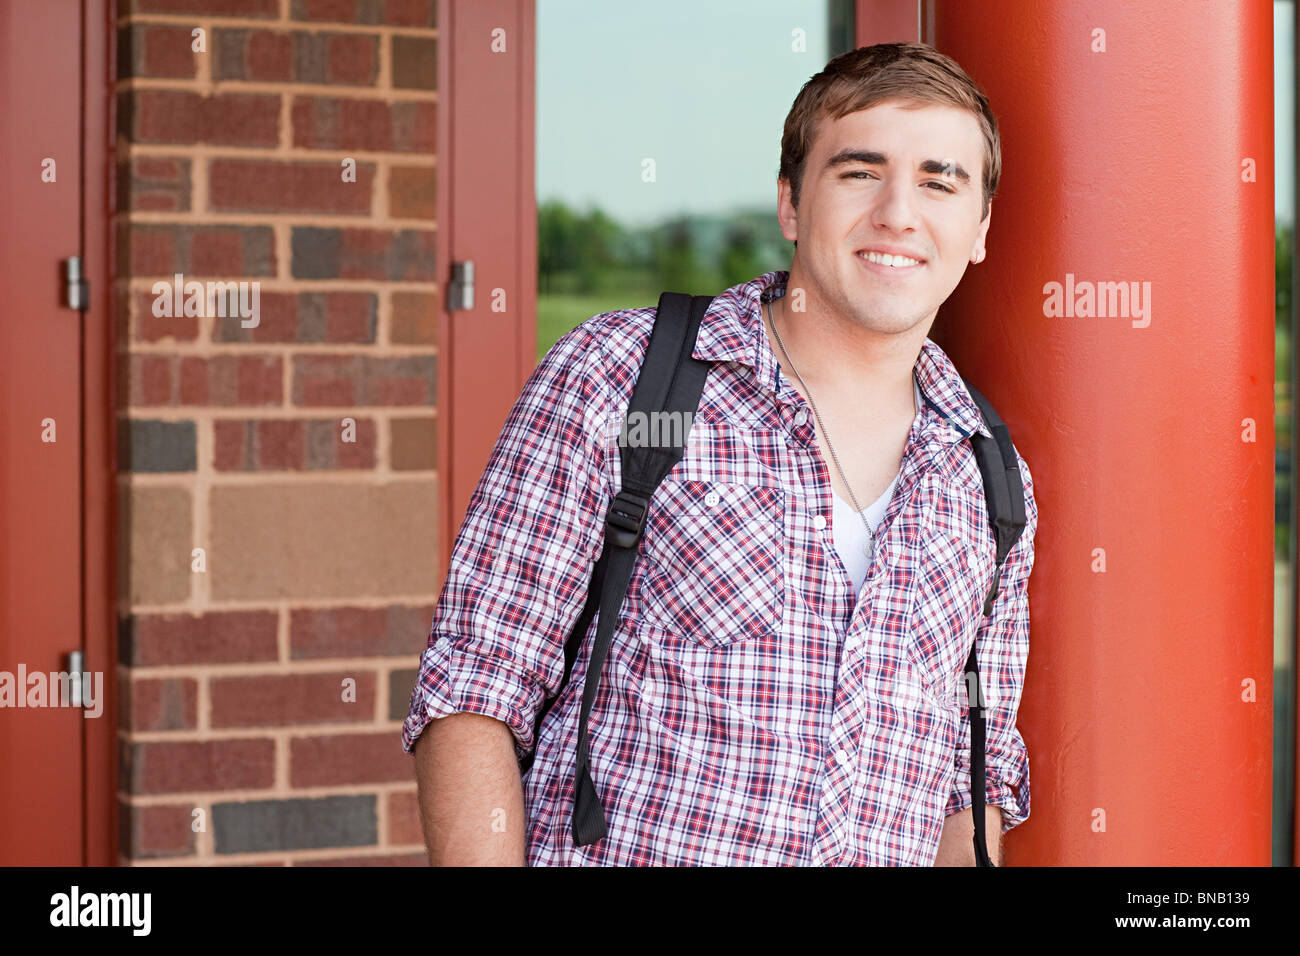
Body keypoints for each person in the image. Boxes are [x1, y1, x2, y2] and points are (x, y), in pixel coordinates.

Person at [403, 41, 1038, 866]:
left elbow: (970, 773)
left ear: (980, 229)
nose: (898, 213)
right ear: (790, 204)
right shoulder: (623, 379)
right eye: (859, 171)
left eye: (939, 181)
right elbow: (477, 685)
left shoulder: (988, 476)